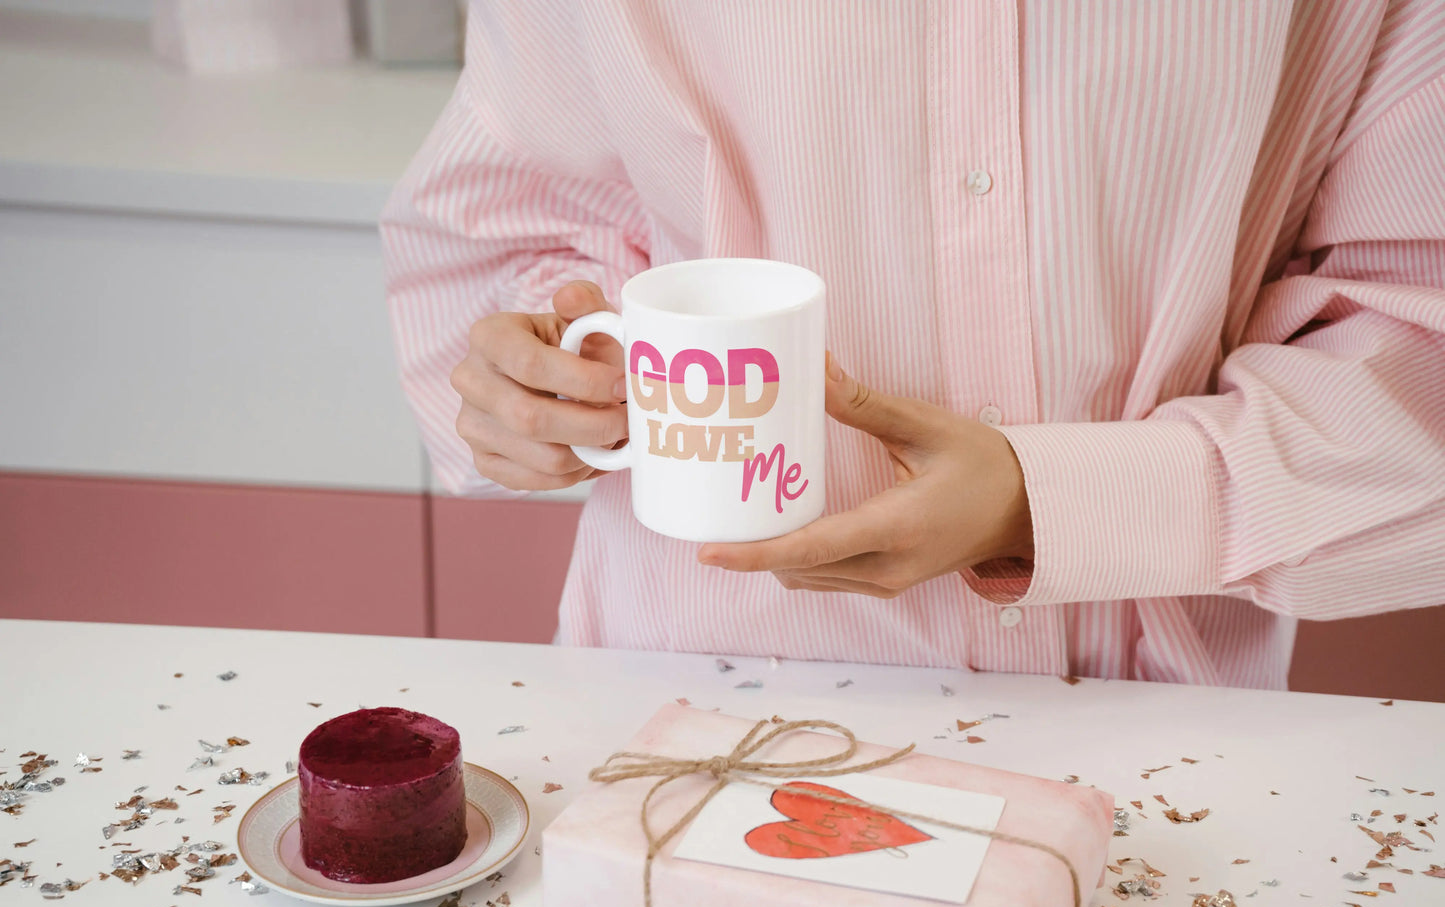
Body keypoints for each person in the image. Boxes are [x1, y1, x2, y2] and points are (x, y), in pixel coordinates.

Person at [380, 1, 1445, 687]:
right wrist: (536, 383)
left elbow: (1417, 347)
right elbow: (505, 235)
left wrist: (1050, 501)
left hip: (1149, 736)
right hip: (684, 700)